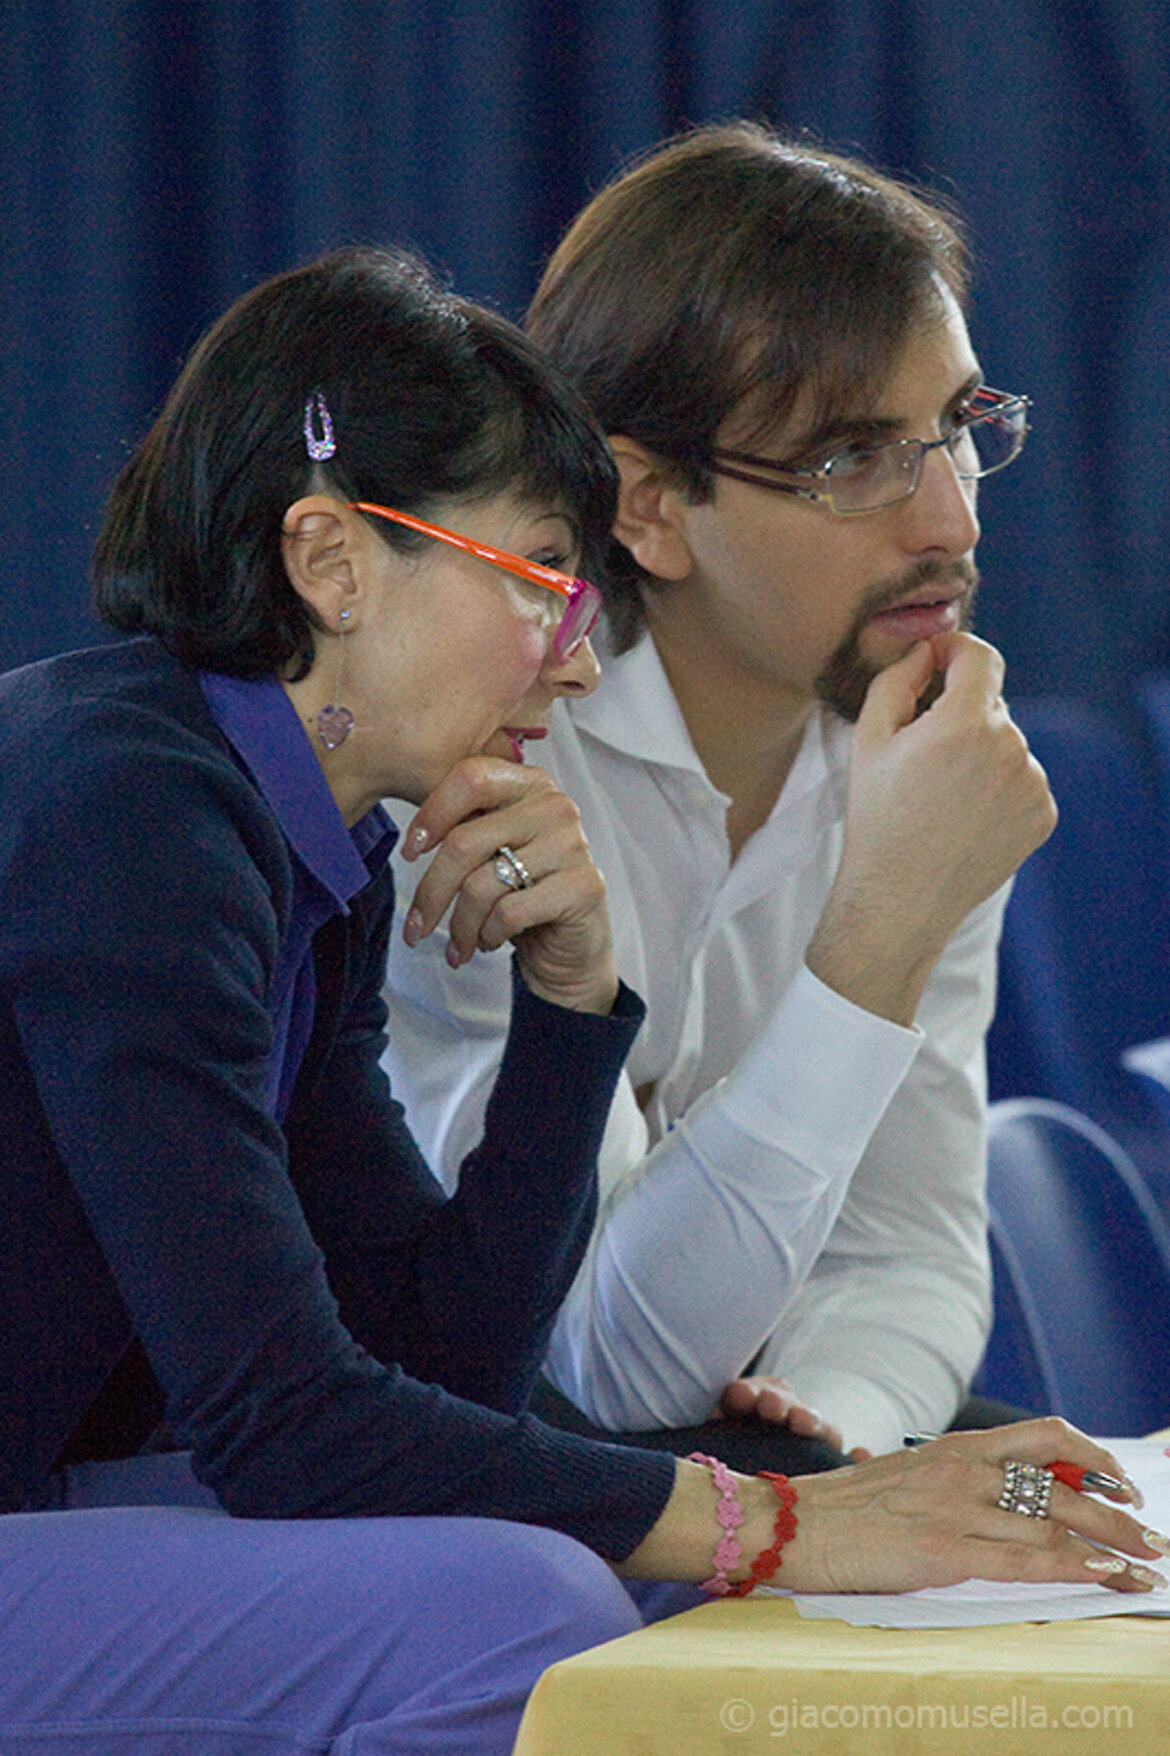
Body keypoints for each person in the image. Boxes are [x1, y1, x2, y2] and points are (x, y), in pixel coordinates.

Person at [1, 245, 1160, 1756]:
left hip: (76, 1479)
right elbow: (286, 1423)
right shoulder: (127, 807)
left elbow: (446, 1372)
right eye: (546, 581)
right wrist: (771, 1527)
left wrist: (572, 1001)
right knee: (531, 1607)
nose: (575, 653)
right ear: (332, 560)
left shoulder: (317, 835)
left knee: (770, 1515)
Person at [380, 121, 1057, 1471]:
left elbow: (909, 1255)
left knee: (1066, 1520)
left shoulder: (924, 751)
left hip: (773, 1452)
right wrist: (878, 929)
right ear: (643, 507)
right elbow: (603, 1369)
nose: (951, 523)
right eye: (854, 458)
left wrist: (843, 1428)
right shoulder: (464, 773)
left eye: (956, 431)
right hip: (454, 1469)